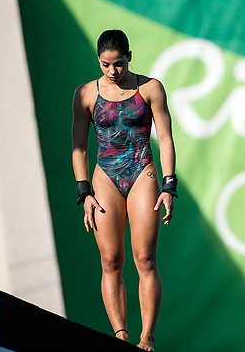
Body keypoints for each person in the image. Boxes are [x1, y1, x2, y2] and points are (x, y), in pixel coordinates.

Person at [72, 29, 177, 352]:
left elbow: (167, 138)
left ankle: (147, 337)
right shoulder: (86, 94)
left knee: (144, 258)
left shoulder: (150, 88)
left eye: (118, 64)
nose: (112, 72)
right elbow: (79, 147)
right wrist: (84, 192)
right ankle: (121, 334)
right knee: (110, 259)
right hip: (105, 176)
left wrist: (169, 186)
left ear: (129, 57)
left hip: (141, 171)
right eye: (105, 65)